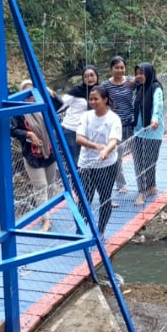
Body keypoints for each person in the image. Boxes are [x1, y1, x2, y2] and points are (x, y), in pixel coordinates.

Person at [9, 79, 65, 232]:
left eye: (32, 92)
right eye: (26, 93)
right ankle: (46, 220)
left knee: (51, 184)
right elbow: (12, 129)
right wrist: (29, 134)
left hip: (50, 152)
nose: (30, 96)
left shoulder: (43, 106)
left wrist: (45, 88)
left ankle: (46, 213)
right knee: (40, 187)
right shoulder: (19, 111)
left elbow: (60, 104)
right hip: (32, 156)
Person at [74, 85, 121, 234]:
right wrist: (95, 146)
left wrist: (106, 150)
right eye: (91, 99)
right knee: (84, 199)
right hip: (86, 165)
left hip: (106, 165)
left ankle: (100, 231)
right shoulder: (86, 116)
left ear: (105, 100)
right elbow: (79, 138)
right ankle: (81, 232)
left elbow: (114, 140)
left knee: (105, 198)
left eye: (96, 99)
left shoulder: (113, 118)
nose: (93, 102)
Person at [103, 55, 135, 202]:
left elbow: (144, 82)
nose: (120, 70)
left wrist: (135, 79)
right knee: (117, 156)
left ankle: (143, 182)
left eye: (122, 67)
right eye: (117, 68)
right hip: (115, 126)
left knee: (138, 154)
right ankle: (121, 184)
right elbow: (100, 100)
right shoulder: (105, 85)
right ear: (111, 69)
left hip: (131, 123)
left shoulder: (130, 82)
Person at [131, 62, 164, 205]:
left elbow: (158, 105)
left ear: (149, 73)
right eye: (137, 73)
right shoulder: (139, 88)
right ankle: (143, 191)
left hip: (153, 130)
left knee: (150, 162)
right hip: (138, 131)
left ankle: (150, 187)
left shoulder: (156, 88)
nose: (139, 76)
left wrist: (155, 118)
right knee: (139, 163)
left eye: (142, 73)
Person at [60, 65, 98, 167]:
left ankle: (85, 178)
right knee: (76, 160)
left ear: (97, 76)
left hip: (89, 131)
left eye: (92, 75)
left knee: (88, 159)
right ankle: (77, 178)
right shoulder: (76, 91)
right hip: (72, 129)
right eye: (86, 76)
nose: (89, 78)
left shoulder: (99, 90)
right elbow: (60, 104)